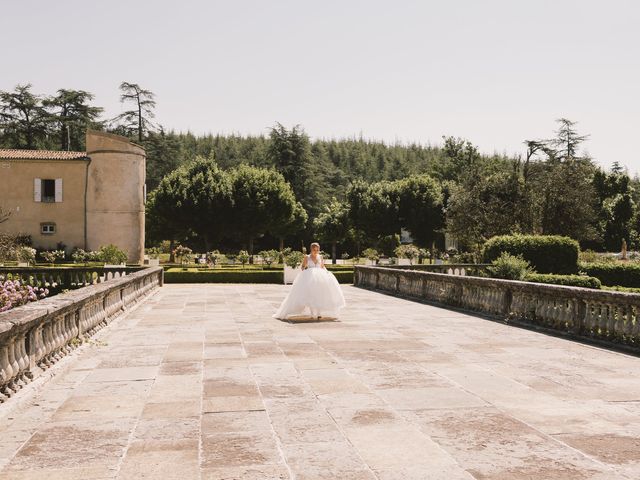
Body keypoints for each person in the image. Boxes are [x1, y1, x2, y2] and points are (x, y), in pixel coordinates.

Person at [273, 242, 346, 320]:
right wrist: (305, 273)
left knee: (319, 294)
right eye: (314, 249)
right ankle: (312, 313)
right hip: (310, 277)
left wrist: (327, 272)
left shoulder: (320, 257)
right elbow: (303, 267)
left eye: (317, 250)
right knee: (311, 295)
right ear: (311, 249)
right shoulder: (307, 257)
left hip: (320, 277)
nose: (316, 251)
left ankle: (319, 313)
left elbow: (322, 266)